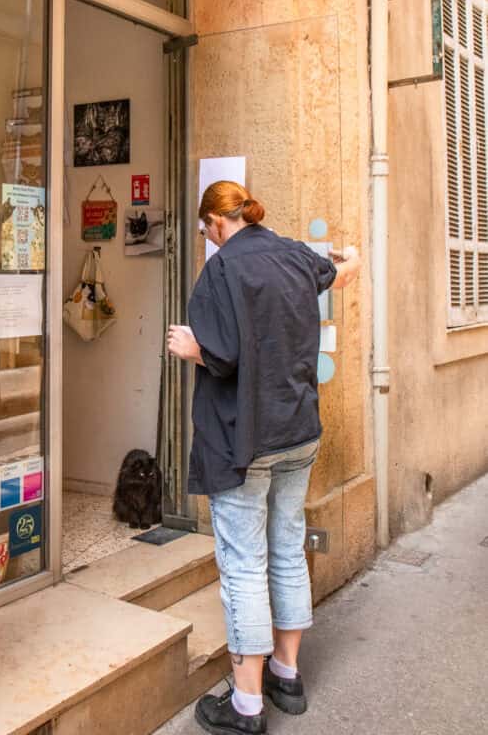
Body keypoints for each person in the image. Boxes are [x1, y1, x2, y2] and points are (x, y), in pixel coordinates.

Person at [167, 181, 360, 735]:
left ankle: (247, 705)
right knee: (287, 549)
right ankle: (287, 674)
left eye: (206, 230)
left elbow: (225, 358)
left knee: (244, 565)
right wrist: (354, 257)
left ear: (217, 222)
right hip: (299, 431)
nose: (208, 239)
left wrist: (192, 349)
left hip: (244, 438)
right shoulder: (296, 254)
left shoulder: (221, 272)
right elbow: (341, 272)